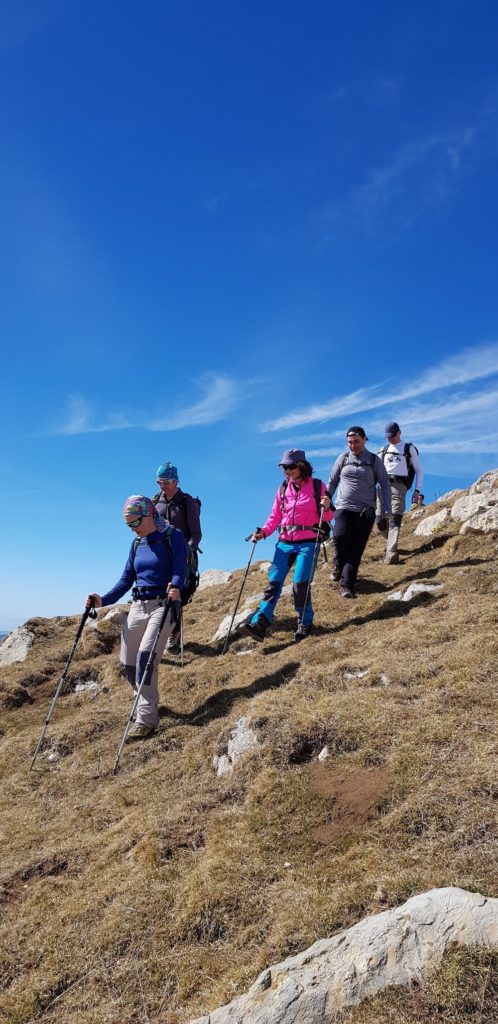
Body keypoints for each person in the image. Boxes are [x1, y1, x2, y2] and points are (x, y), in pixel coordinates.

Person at [86, 495, 185, 742]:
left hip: (163, 605)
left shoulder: (173, 537)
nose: (132, 528)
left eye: (135, 522)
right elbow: (126, 579)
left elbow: (179, 570)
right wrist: (103, 599)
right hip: (138, 606)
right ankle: (146, 701)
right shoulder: (136, 544)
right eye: (128, 525)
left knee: (146, 657)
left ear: (149, 514)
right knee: (127, 662)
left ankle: (146, 719)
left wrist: (176, 587)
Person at [245, 449, 332, 643]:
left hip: (308, 541)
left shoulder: (317, 486)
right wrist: (263, 533)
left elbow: (327, 517)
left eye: (291, 467)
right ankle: (260, 624)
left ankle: (304, 622)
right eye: (284, 467)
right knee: (273, 584)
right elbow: (275, 516)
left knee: (300, 584)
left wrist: (327, 506)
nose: (287, 471)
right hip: (284, 543)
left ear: (301, 466)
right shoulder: (283, 488)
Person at [327, 427, 391, 598]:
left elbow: (384, 484)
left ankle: (347, 585)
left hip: (365, 511)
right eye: (350, 442)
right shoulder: (343, 458)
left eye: (356, 442)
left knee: (356, 548)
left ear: (364, 440)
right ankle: (338, 565)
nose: (353, 445)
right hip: (343, 508)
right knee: (339, 539)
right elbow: (332, 481)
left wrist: (386, 509)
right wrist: (326, 500)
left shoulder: (373, 460)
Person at [153, 462, 202, 650]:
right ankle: (160, 631)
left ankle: (174, 633)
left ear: (175, 480)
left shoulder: (187, 502)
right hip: (159, 557)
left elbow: (196, 534)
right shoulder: (154, 501)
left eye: (166, 481)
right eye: (159, 482)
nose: (162, 485)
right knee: (157, 594)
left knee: (175, 595)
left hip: (181, 557)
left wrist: (188, 552)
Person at [376, 422, 424, 564]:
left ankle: (391, 554)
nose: (390, 439)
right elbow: (375, 471)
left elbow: (419, 470)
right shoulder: (383, 450)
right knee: (379, 521)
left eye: (392, 436)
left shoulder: (409, 449)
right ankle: (391, 543)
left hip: (399, 485)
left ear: (399, 433)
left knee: (394, 518)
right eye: (387, 437)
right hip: (381, 486)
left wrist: (417, 490)